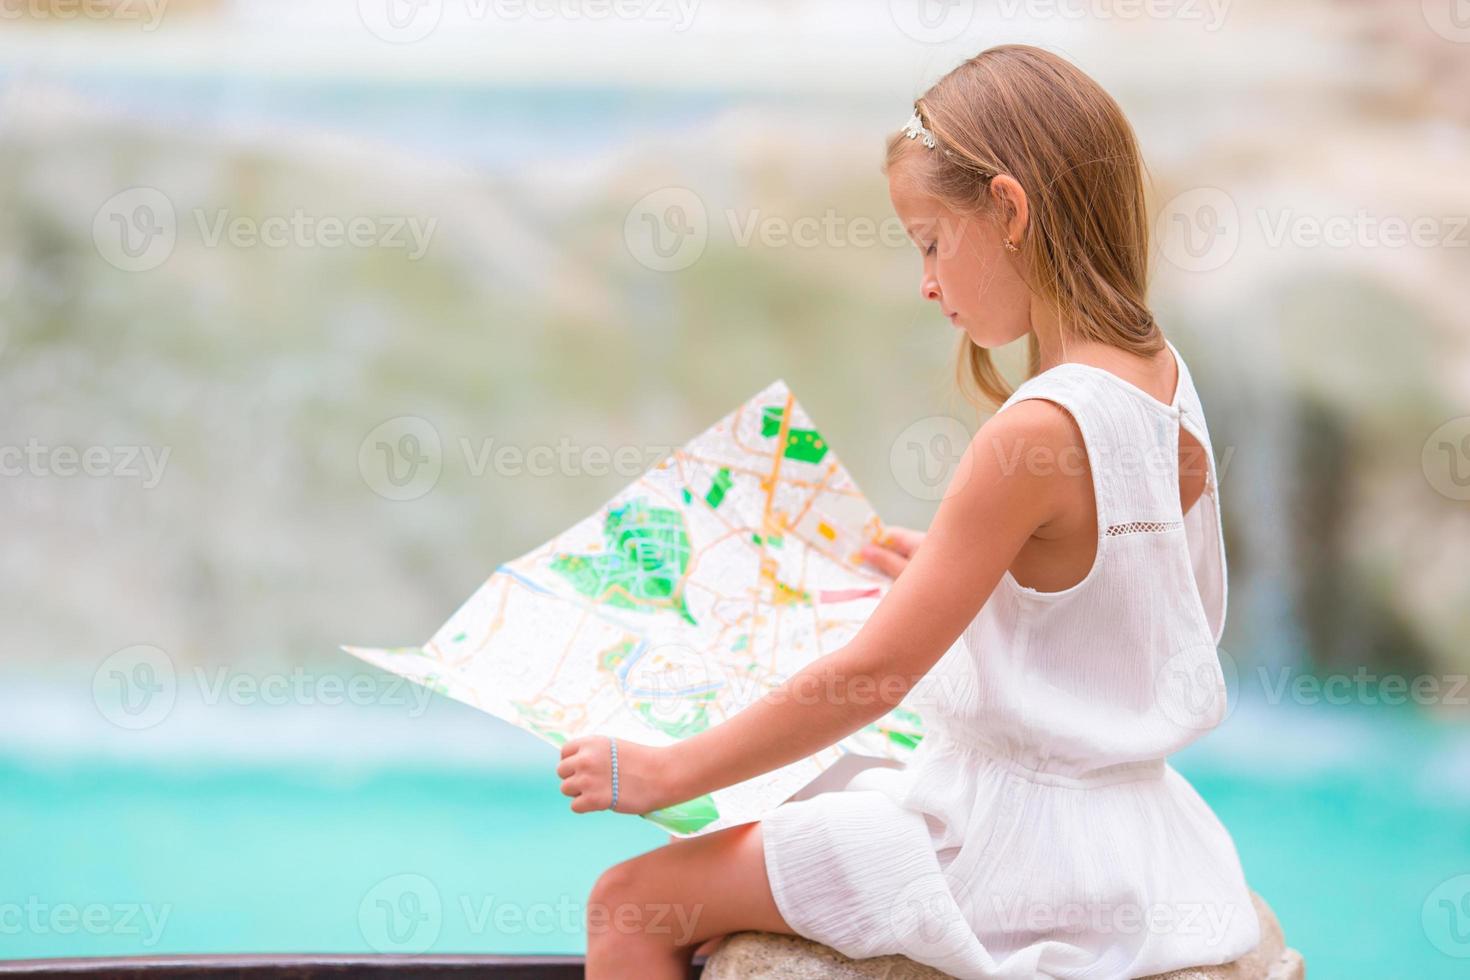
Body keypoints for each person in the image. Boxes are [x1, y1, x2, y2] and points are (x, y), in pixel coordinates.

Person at [555, 43, 1260, 980]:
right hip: (1137, 836)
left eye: (930, 242)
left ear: (1009, 209)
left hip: (1004, 854)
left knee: (631, 904)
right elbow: (1124, 573)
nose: (927, 281)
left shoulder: (1031, 432)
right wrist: (975, 570)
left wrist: (665, 771)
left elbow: (876, 675)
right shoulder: (1161, 375)